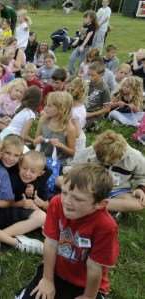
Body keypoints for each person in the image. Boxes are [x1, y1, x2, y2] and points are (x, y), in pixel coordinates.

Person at [16, 163, 119, 299]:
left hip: (84, 284)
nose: (67, 201)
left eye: (78, 198)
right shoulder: (56, 203)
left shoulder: (106, 226)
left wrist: (88, 296)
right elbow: (51, 243)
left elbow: (94, 267)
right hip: (55, 271)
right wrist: (47, 280)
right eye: (64, 192)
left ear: (100, 204)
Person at [70, 130, 145, 213]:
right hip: (91, 188)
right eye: (101, 161)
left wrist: (140, 189)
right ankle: (103, 207)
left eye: (110, 162)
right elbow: (74, 167)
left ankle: (92, 204)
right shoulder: (91, 151)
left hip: (117, 190)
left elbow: (143, 176)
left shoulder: (135, 157)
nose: (105, 163)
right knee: (60, 180)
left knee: (139, 203)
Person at [34, 91, 77, 165]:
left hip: (57, 164)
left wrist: (61, 146)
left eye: (49, 106)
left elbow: (73, 153)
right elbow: (35, 143)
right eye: (46, 105)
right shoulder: (44, 119)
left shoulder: (69, 128)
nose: (45, 108)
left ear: (61, 109)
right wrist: (37, 141)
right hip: (40, 159)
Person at [67, 11, 98, 76]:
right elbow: (81, 36)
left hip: (85, 47)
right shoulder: (85, 25)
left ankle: (79, 75)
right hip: (79, 46)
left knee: (81, 63)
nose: (84, 19)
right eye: (84, 17)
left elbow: (88, 37)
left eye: (86, 18)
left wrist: (83, 46)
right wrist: (76, 41)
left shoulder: (92, 27)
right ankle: (73, 73)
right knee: (71, 59)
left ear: (91, 18)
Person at [85, 62, 111, 128]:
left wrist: (90, 114)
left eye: (93, 75)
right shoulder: (87, 83)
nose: (90, 78)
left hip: (94, 115)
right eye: (89, 75)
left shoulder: (104, 88)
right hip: (84, 111)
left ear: (101, 74)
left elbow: (107, 108)